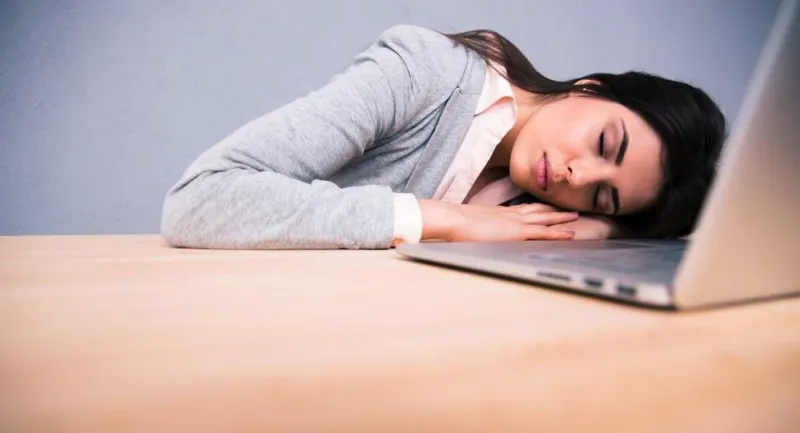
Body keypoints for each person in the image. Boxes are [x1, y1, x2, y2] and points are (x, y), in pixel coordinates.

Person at [161, 24, 726, 250]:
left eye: (603, 194)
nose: (580, 176)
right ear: (590, 87)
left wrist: (603, 226)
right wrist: (443, 218)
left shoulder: (533, 201)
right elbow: (199, 201)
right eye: (606, 146)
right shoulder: (425, 71)